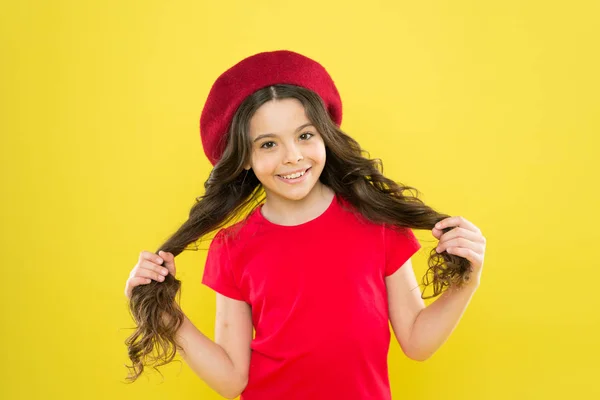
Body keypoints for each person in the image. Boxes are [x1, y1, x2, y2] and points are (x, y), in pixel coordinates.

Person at [123, 50, 487, 399]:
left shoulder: (377, 223)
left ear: (324, 135)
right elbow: (231, 379)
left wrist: (465, 283)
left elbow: (417, 342)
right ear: (244, 158)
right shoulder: (232, 246)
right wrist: (166, 314)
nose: (292, 156)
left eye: (305, 135)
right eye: (268, 144)